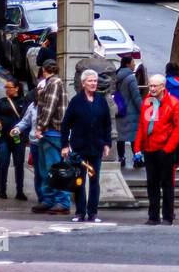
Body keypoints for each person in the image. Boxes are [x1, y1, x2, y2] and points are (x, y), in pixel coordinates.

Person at [61, 68, 113, 223]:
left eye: (95, 81)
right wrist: (64, 145)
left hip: (96, 147)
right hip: (79, 148)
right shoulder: (76, 101)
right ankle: (79, 212)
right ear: (83, 83)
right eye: (90, 81)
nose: (93, 84)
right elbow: (65, 125)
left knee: (94, 181)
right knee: (79, 181)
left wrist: (107, 144)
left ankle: (93, 213)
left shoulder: (101, 101)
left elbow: (107, 125)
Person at [133, 73, 179, 226]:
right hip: (150, 149)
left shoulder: (173, 103)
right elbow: (143, 125)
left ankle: (168, 216)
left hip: (165, 150)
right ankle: (153, 216)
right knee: (152, 184)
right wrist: (137, 148)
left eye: (155, 86)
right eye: (150, 85)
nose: (152, 88)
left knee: (167, 184)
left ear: (163, 87)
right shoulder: (147, 102)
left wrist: (168, 148)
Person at [31, 59, 70, 215]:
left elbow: (49, 107)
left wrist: (40, 127)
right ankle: (49, 200)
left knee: (55, 168)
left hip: (53, 131)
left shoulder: (54, 83)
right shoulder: (52, 83)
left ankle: (61, 201)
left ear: (43, 70)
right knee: (45, 169)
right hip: (50, 131)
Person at [0, 79, 28, 200]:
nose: (6, 89)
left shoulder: (24, 102)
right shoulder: (1, 102)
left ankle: (20, 191)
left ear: (17, 88)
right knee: (4, 162)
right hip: (3, 138)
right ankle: (2, 190)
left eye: (9, 87)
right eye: (5, 87)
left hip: (19, 138)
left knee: (19, 164)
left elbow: (28, 119)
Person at [114, 55, 143, 168]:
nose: (134, 65)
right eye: (133, 63)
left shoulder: (116, 75)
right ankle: (137, 158)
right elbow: (136, 96)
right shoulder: (131, 78)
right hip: (131, 112)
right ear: (127, 64)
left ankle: (121, 158)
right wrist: (142, 109)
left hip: (119, 109)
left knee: (120, 137)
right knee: (134, 136)